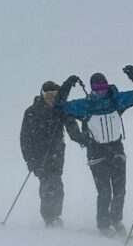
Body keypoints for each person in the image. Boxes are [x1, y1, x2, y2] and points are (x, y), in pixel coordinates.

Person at [59, 66, 133, 235]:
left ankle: (116, 220)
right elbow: (60, 105)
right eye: (97, 89)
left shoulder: (117, 100)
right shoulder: (85, 105)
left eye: (103, 88)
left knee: (120, 190)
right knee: (104, 192)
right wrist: (68, 84)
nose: (101, 92)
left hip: (116, 150)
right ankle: (103, 224)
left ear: (107, 86)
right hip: (96, 152)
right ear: (92, 89)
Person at [20, 81, 86, 227]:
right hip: (39, 157)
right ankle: (49, 217)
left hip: (56, 154)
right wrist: (29, 160)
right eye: (49, 95)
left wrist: (85, 139)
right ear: (42, 95)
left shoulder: (60, 110)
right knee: (47, 185)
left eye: (56, 96)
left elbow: (73, 130)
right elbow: (24, 138)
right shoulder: (32, 111)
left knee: (57, 185)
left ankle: (55, 215)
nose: (52, 99)